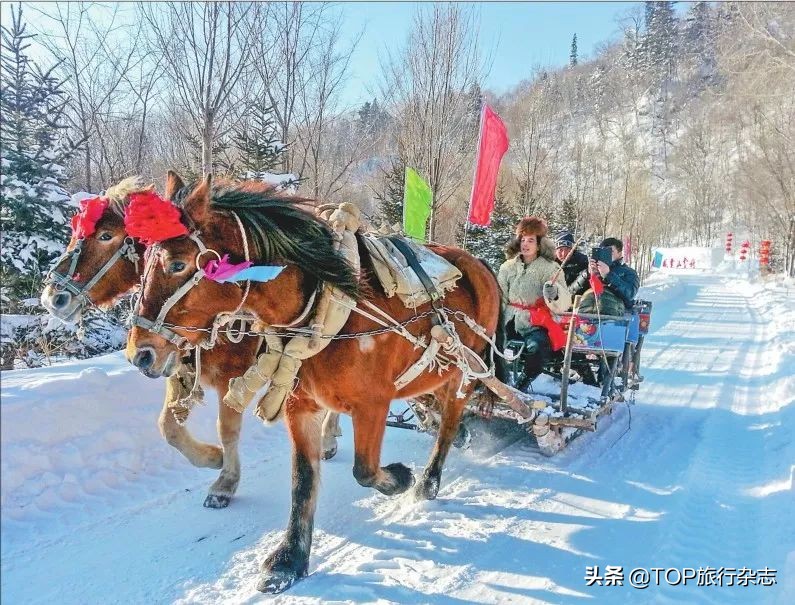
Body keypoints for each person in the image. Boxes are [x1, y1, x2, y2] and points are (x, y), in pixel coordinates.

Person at [498, 217, 571, 384]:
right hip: (509, 319)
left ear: (539, 244)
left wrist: (554, 294)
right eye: (523, 240)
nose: (525, 244)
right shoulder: (507, 267)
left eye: (530, 240)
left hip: (535, 322)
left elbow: (565, 301)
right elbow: (500, 295)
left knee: (537, 347)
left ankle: (524, 381)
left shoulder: (550, 268)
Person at [573, 237, 639, 316]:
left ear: (620, 253)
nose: (606, 254)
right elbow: (571, 293)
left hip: (613, 317)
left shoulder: (628, 272)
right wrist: (587, 274)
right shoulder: (590, 269)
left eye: (610, 251)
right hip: (584, 316)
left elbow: (630, 294)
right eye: (603, 251)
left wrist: (609, 275)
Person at [553, 230, 589, 297]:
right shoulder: (549, 263)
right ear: (555, 250)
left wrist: (584, 276)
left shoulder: (583, 263)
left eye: (567, 249)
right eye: (560, 250)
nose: (564, 254)